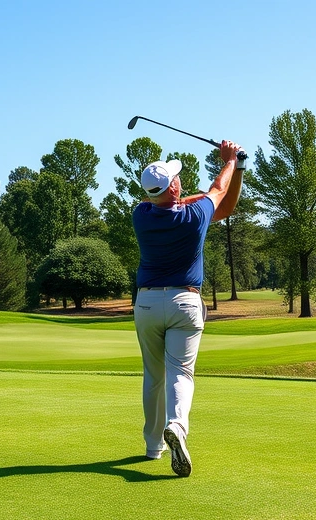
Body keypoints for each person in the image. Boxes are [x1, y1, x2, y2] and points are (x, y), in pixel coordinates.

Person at [132, 140, 245, 477]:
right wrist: (230, 161)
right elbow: (217, 191)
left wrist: (232, 168)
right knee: (180, 373)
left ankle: (154, 447)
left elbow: (211, 200)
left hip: (148, 303)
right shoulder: (194, 215)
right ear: (175, 186)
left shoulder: (140, 214)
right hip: (185, 302)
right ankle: (177, 427)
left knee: (153, 376)